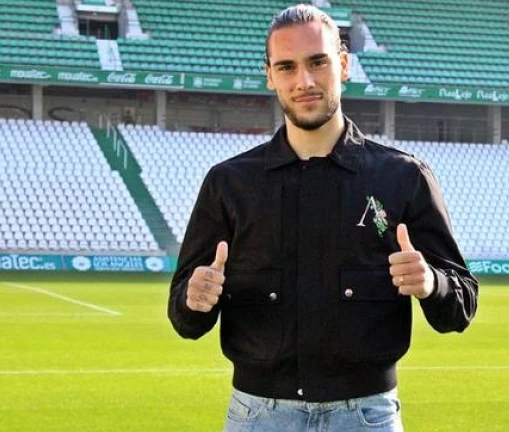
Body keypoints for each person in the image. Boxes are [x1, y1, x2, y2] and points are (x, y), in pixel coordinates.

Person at [167, 4, 479, 431]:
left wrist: (431, 283)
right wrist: (194, 299)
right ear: (270, 75)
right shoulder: (230, 183)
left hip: (366, 416)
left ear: (343, 65)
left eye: (318, 62)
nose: (305, 81)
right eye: (287, 67)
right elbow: (185, 319)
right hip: (258, 417)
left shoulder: (403, 176)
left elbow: (461, 306)